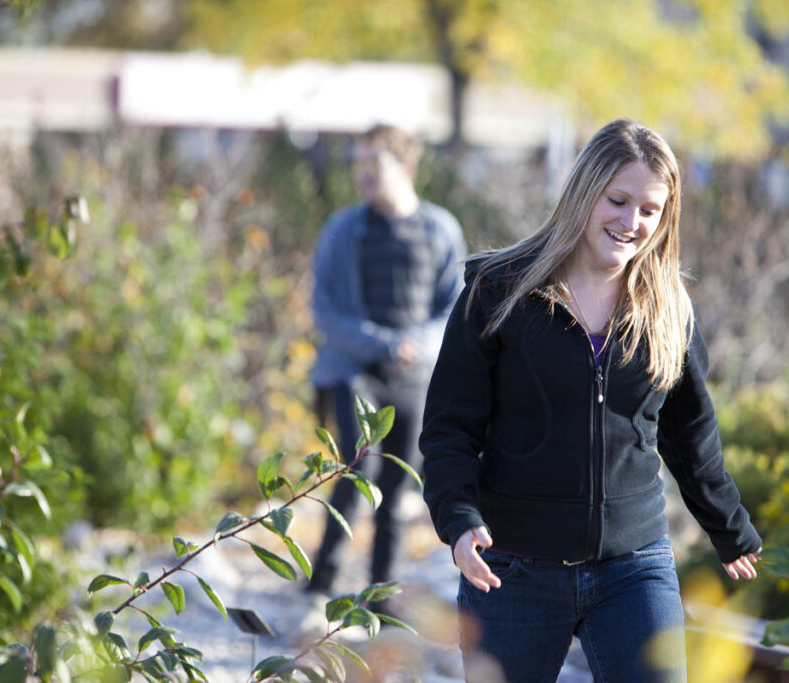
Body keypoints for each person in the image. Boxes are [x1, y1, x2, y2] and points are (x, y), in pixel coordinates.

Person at [419, 119, 762, 682]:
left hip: (634, 567)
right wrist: (458, 521)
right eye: (618, 200)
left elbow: (689, 434)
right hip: (512, 567)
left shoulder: (669, 309)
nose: (632, 223)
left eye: (650, 210)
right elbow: (449, 427)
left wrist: (727, 526)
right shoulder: (500, 293)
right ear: (585, 192)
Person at [306, 124, 467, 597]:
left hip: (415, 379)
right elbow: (326, 312)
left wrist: (417, 342)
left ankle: (380, 597)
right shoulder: (343, 230)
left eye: (374, 163)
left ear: (408, 167)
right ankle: (322, 586)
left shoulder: (441, 229)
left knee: (398, 490)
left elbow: (454, 308)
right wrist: (383, 344)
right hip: (355, 373)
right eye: (358, 163)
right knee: (359, 470)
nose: (363, 175)